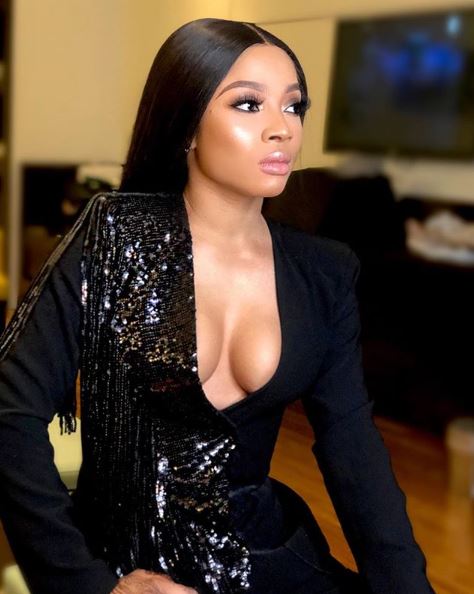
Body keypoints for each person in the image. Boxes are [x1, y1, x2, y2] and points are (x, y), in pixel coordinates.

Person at [0, 17, 436, 594]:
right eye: (249, 105)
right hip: (123, 566)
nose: (282, 129)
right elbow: (10, 410)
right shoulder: (114, 236)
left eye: (294, 106)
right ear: (187, 124)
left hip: (269, 560)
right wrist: (91, 584)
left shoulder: (324, 271)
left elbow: (353, 450)